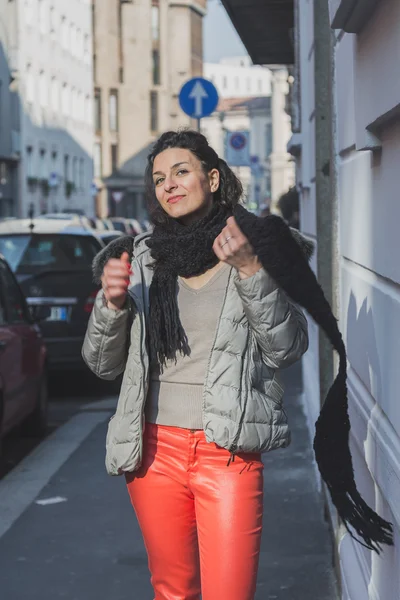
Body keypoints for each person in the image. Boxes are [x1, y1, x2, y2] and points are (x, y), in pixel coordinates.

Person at [82, 130, 394, 598]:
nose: (169, 185)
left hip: (226, 450)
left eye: (181, 172)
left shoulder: (254, 245)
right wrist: (111, 304)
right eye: (159, 178)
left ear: (212, 177)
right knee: (172, 589)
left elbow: (287, 348)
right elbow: (103, 365)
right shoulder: (139, 258)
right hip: (152, 452)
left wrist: (251, 271)